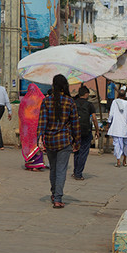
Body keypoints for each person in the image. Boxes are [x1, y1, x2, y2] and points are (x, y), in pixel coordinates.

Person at [37, 74, 79, 208]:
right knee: (61, 170)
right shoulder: (69, 101)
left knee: (53, 169)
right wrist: (76, 141)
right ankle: (57, 197)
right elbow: (75, 124)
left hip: (50, 141)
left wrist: (40, 138)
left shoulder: (47, 101)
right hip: (64, 140)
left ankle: (54, 193)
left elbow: (42, 121)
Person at [19, 84, 46, 170]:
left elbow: (20, 113)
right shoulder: (40, 98)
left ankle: (30, 164)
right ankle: (36, 165)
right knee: (37, 143)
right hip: (37, 125)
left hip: (26, 127)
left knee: (29, 144)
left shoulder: (24, 100)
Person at [107, 85, 127, 167]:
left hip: (116, 127)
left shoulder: (114, 102)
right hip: (124, 127)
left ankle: (118, 161)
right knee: (125, 144)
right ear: (125, 96)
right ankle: (124, 160)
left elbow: (111, 114)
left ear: (118, 95)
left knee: (116, 144)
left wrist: (108, 123)